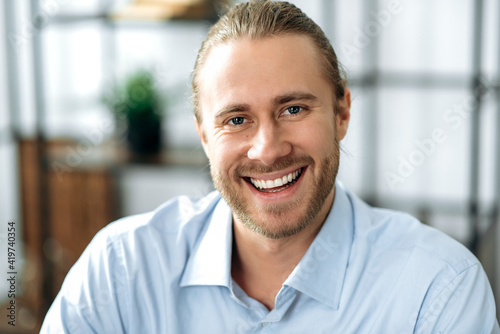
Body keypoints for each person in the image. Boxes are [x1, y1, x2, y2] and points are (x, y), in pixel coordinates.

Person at [42, 1, 499, 333]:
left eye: (294, 109)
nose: (267, 149)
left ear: (341, 114)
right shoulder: (118, 272)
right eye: (237, 120)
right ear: (204, 136)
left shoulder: (436, 289)